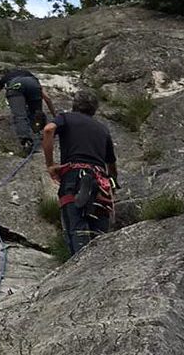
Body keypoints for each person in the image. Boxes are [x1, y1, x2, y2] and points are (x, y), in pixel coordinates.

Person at [42, 90, 118, 255]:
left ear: (75, 105)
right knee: (99, 235)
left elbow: (48, 130)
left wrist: (50, 165)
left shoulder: (67, 118)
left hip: (74, 176)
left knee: (77, 230)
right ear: (94, 109)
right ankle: (98, 267)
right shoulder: (103, 129)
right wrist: (113, 185)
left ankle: (82, 270)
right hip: (101, 183)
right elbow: (111, 163)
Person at [0, 69, 57, 153]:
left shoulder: (5, 78)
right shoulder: (31, 76)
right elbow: (47, 98)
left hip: (15, 86)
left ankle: (26, 141)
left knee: (20, 116)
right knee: (36, 113)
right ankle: (40, 130)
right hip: (32, 84)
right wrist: (54, 116)